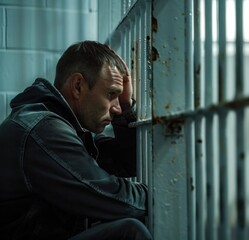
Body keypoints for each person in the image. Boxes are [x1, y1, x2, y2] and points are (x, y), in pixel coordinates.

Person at [0, 41, 152, 240]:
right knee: (129, 232)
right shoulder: (44, 130)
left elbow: (125, 161)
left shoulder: (63, 126)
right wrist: (159, 192)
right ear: (78, 86)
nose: (116, 108)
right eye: (111, 94)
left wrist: (127, 109)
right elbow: (112, 198)